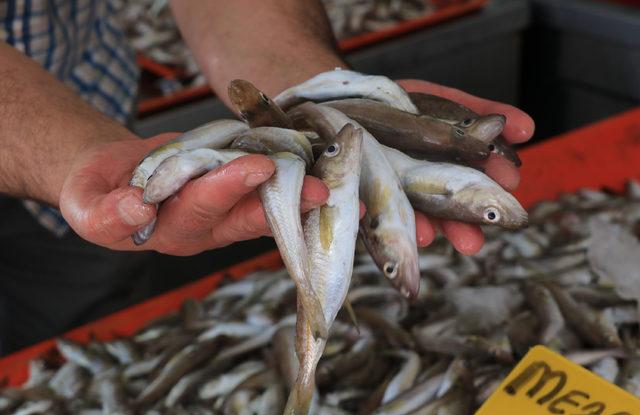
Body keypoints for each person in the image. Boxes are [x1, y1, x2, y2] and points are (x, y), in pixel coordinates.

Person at [0, 1, 534, 354]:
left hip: (81, 100)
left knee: (75, 336)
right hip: (58, 133)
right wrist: (64, 151)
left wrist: (308, 86)